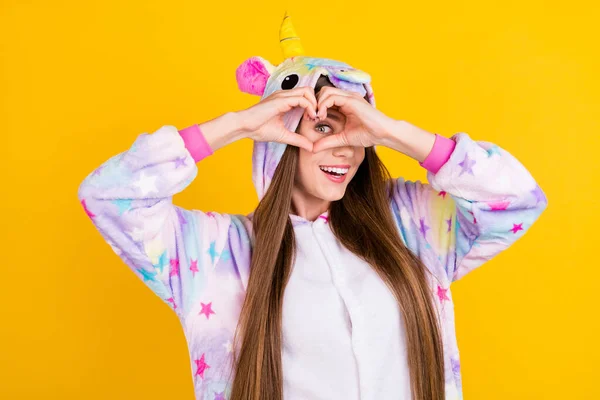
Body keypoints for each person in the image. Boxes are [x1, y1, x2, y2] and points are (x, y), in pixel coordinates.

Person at [77, 13, 547, 400]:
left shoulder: (410, 222)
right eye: (324, 127)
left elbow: (518, 200)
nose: (346, 147)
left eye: (355, 130)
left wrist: (391, 131)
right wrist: (239, 125)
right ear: (280, 135)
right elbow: (111, 196)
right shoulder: (219, 253)